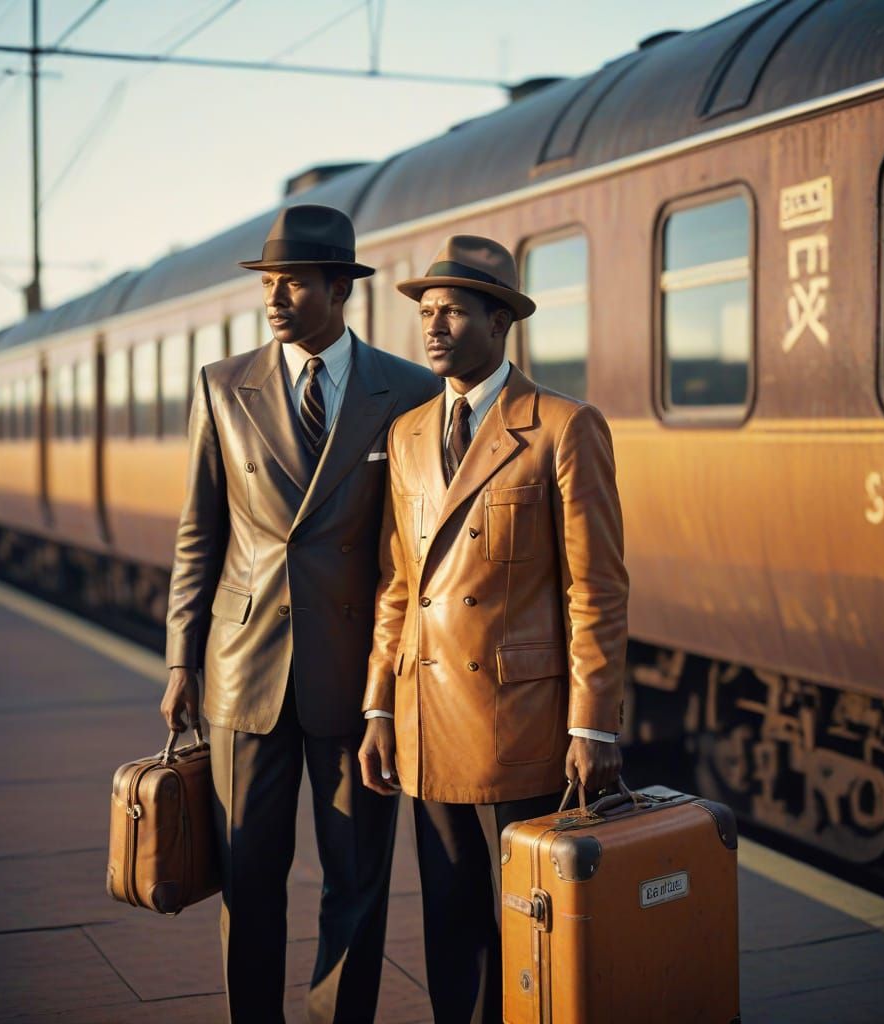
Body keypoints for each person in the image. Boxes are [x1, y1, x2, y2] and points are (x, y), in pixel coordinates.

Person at [160, 204, 441, 1024]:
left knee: (356, 882)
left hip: (359, 681)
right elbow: (197, 537)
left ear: (337, 289)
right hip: (243, 670)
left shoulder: (410, 390)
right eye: (269, 282)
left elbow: (410, 549)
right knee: (249, 875)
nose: (275, 297)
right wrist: (181, 658)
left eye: (293, 282)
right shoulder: (222, 386)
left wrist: (393, 682)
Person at [358, 235, 628, 1023]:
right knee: (450, 927)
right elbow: (398, 585)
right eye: (427, 312)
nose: (433, 326)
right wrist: (379, 707)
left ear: (500, 321)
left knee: (527, 925)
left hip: (522, 725)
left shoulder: (562, 427)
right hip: (426, 719)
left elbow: (597, 589)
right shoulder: (407, 435)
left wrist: (593, 723)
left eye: (453, 311)